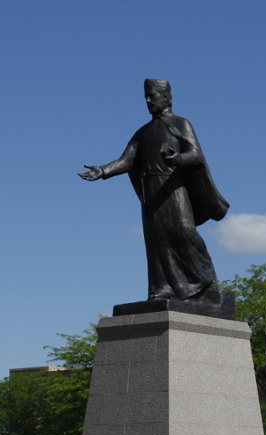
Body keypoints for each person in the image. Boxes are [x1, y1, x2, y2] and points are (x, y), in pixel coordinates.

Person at [79, 79, 229, 301]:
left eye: (153, 96)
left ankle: (207, 283)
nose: (148, 100)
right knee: (157, 242)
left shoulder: (181, 123)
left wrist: (179, 158)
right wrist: (102, 171)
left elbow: (196, 154)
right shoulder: (143, 132)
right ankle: (162, 290)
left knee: (184, 233)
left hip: (173, 187)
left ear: (167, 98)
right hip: (151, 192)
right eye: (146, 97)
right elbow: (127, 160)